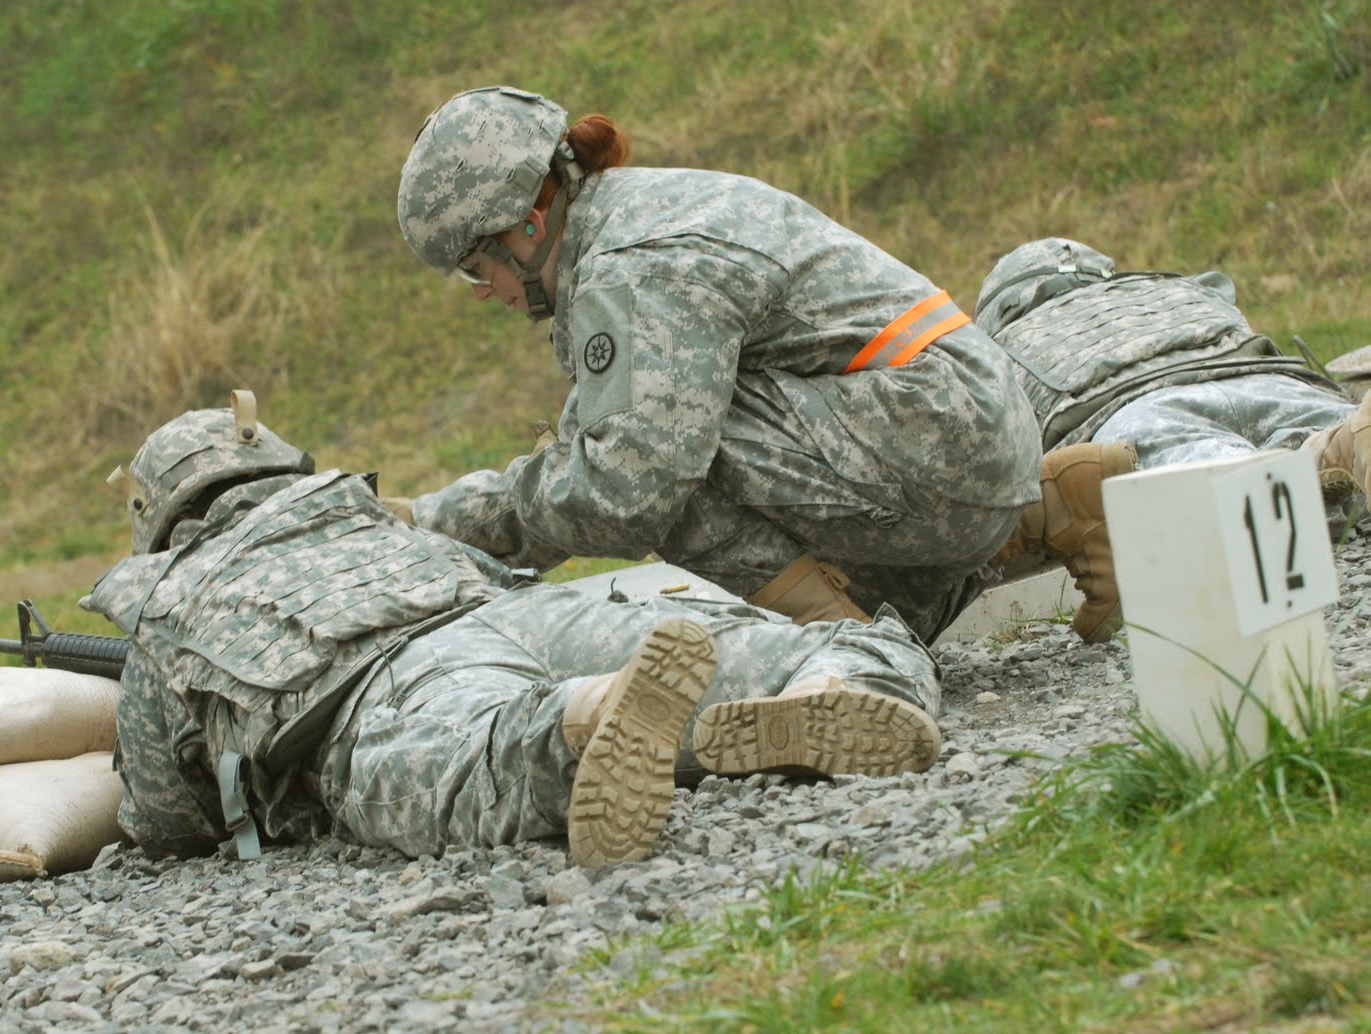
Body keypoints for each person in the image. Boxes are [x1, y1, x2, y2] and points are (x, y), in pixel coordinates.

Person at [388, 85, 1135, 648]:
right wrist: (444, 519)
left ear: (526, 223)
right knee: (660, 441)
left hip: (940, 434)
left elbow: (625, 487)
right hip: (957, 425)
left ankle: (846, 660)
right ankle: (1053, 506)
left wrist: (443, 524)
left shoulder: (632, 269)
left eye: (474, 267)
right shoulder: (633, 218)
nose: (483, 291)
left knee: (660, 468)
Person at [81, 392, 945, 868]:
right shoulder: (365, 511)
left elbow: (170, 818)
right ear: (275, 463)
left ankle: (591, 714)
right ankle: (831, 689)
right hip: (518, 610)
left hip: (383, 683)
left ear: (158, 520)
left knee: (477, 757)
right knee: (818, 638)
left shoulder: (166, 596)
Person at [974, 237, 1371, 532]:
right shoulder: (1176, 287)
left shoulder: (998, 350)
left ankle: (1273, 487)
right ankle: (1337, 444)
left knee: (1209, 480)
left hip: (1134, 411)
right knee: (1333, 433)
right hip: (1267, 379)